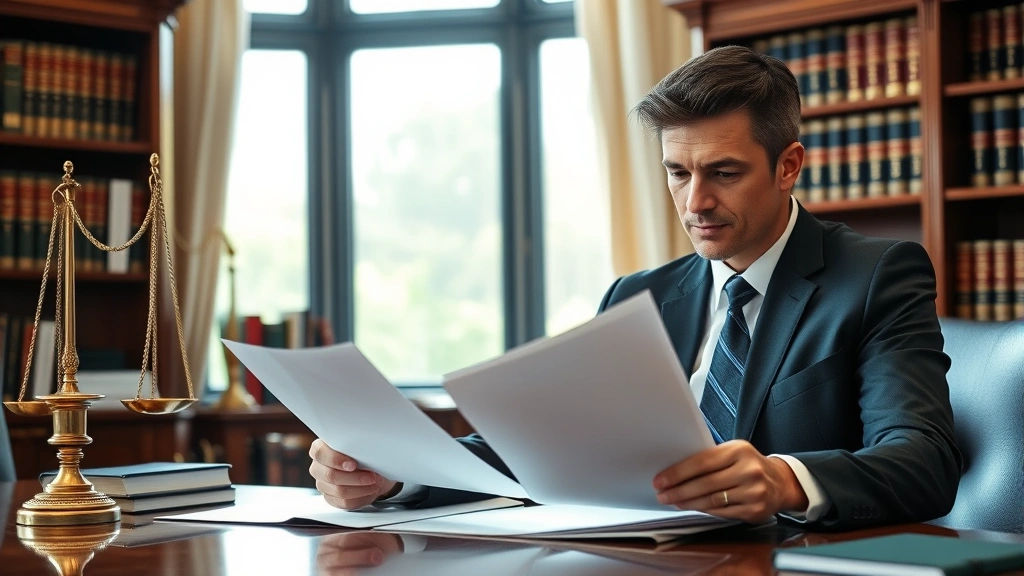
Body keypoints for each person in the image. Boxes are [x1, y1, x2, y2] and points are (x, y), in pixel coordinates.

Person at [309, 45, 961, 531]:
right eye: (677, 172)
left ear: (788, 165)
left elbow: (923, 459)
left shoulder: (877, 275)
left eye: (724, 173)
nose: (695, 202)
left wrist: (784, 479)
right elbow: (541, 446)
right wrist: (395, 473)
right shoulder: (637, 296)